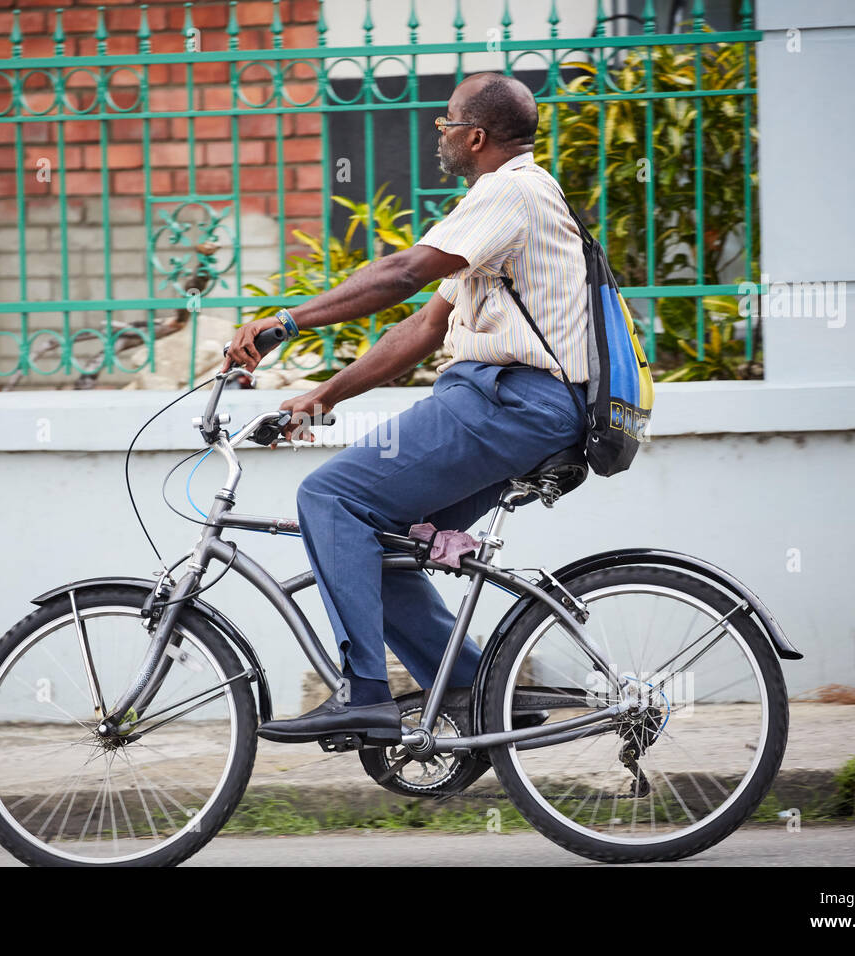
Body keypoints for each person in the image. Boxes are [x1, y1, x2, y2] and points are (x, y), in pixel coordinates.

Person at [221, 72, 590, 744]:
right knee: (370, 538)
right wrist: (323, 396)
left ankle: (365, 694)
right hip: (510, 404)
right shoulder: (499, 205)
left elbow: (400, 276)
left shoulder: (512, 190)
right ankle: (473, 692)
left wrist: (287, 323)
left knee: (330, 500)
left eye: (446, 122)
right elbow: (422, 328)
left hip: (510, 402)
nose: (439, 134)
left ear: (475, 136)